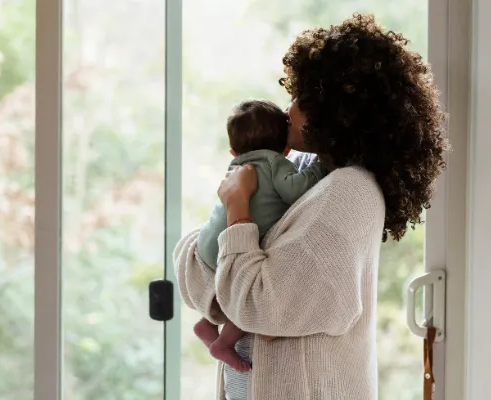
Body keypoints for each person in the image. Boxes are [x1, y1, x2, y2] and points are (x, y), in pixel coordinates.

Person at [174, 13, 448, 400]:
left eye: (303, 98)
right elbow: (193, 267)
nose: (288, 108)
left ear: (340, 111)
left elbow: (258, 307)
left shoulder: (350, 194)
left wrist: (237, 209)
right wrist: (239, 292)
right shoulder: (299, 173)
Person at [193, 99, 324, 372]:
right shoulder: (275, 161)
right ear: (285, 148)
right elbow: (295, 190)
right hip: (235, 243)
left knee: (231, 284)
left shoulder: (236, 165)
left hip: (207, 243)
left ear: (232, 149)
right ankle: (224, 343)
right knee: (248, 297)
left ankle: (207, 323)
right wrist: (319, 166)